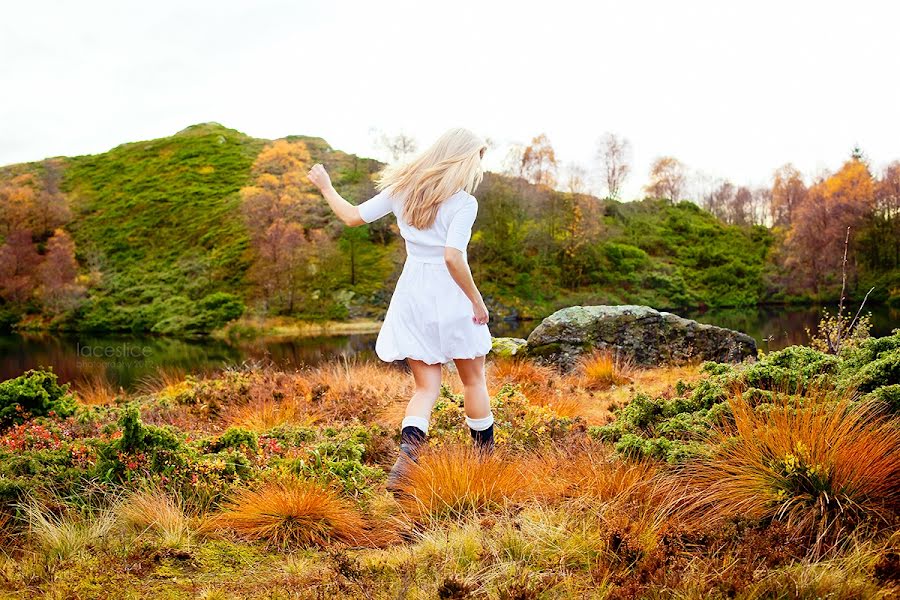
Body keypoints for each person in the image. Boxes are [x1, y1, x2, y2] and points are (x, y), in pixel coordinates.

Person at [306, 127, 494, 490]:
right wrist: (476, 299)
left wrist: (326, 186)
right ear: (463, 160)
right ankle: (484, 463)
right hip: (452, 295)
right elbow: (453, 257)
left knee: (425, 389)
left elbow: (352, 218)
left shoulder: (401, 190)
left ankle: (407, 461)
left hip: (413, 296)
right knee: (473, 379)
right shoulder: (463, 203)